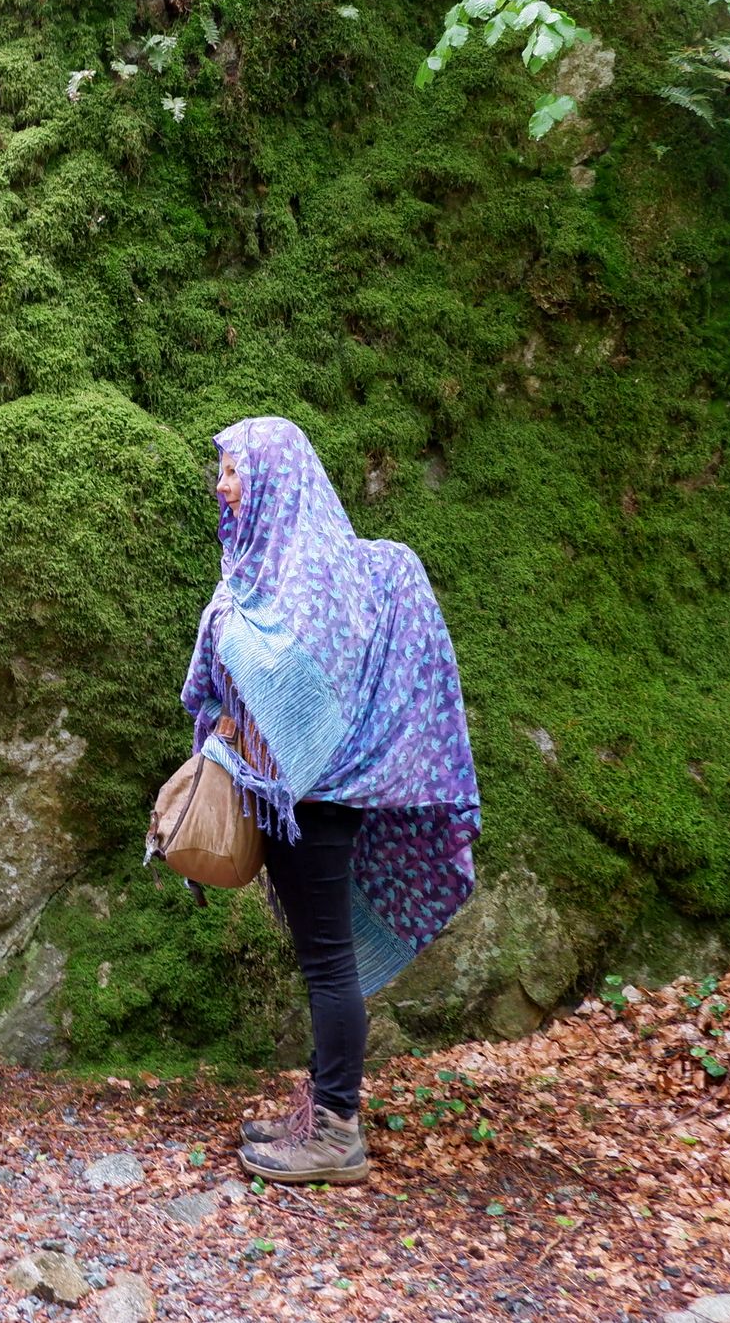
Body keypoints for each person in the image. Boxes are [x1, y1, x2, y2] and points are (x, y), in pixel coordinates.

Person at [176, 416, 481, 1184]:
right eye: (223, 471)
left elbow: (300, 687)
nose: (222, 485)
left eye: (234, 470)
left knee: (329, 963)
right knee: (320, 960)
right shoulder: (259, 572)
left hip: (317, 799)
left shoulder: (324, 578)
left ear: (275, 479)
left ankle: (337, 1132)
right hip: (286, 798)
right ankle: (320, 1111)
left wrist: (229, 629)